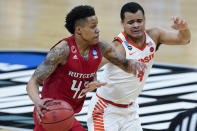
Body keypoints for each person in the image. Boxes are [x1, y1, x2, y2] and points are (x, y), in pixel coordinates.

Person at [26, 5, 146, 131]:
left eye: (97, 26)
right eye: (93, 27)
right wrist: (38, 102)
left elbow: (125, 65)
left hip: (67, 114)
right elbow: (33, 81)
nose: (98, 30)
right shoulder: (62, 50)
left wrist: (133, 63)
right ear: (79, 30)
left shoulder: (101, 47)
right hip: (50, 112)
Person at [87, 2, 191, 131]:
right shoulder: (118, 47)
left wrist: (184, 29)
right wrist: (92, 78)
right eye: (130, 22)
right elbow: (90, 65)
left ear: (145, 20)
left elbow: (183, 39)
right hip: (106, 110)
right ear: (122, 24)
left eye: (139, 21)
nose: (136, 25)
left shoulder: (154, 35)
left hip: (130, 111)